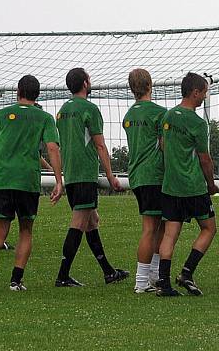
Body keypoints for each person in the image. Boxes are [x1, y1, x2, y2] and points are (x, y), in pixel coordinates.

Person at [0, 75, 64, 291]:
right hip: (27, 181)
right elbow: (52, 148)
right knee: (26, 230)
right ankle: (16, 280)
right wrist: (58, 180)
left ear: (18, 92)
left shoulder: (0, 115)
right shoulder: (44, 118)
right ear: (37, 95)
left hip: (2, 179)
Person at [54, 67, 128, 287]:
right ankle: (62, 276)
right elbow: (100, 145)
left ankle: (108, 272)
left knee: (92, 220)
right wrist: (111, 176)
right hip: (85, 172)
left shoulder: (62, 111)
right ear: (85, 83)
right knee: (78, 222)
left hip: (71, 172)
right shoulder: (89, 109)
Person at [153, 73, 218, 297]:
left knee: (170, 234)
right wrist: (211, 184)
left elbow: (162, 145)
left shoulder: (167, 116)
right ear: (195, 92)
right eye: (204, 92)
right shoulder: (198, 123)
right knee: (209, 228)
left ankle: (163, 282)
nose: (205, 96)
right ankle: (187, 273)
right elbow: (205, 159)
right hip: (193, 186)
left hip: (170, 186)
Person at [123, 69, 167, 293]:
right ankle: (141, 282)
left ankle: (153, 274)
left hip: (137, 175)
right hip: (154, 175)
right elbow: (164, 145)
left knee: (160, 225)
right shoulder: (160, 113)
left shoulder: (129, 115)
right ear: (150, 84)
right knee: (150, 228)